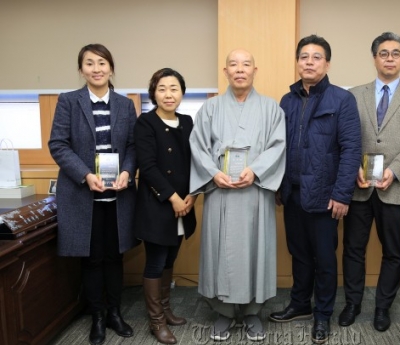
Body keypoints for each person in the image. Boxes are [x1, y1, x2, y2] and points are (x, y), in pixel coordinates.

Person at [339, 32, 400, 332]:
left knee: (394, 251)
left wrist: (395, 169)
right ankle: (353, 304)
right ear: (375, 58)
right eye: (383, 53)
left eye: (395, 53)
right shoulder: (353, 94)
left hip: (395, 186)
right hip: (359, 186)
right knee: (353, 248)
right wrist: (353, 165)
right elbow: (343, 137)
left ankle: (383, 308)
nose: (389, 58)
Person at [269, 34, 361, 344]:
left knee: (324, 258)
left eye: (316, 56)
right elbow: (278, 147)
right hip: (292, 193)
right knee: (298, 253)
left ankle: (322, 314)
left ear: (327, 63)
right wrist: (279, 186)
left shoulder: (342, 99)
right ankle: (299, 304)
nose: (309, 61)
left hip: (325, 195)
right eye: (304, 56)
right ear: (297, 62)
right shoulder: (287, 100)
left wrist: (342, 193)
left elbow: (351, 149)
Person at [189, 49, 286, 342]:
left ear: (255, 70)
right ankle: (223, 311)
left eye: (246, 65)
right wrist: (213, 172)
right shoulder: (210, 108)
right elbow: (198, 146)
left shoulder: (272, 109)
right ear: (225, 71)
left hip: (254, 191)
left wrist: (255, 171)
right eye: (234, 65)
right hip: (220, 191)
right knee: (221, 250)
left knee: (257, 249)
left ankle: (254, 312)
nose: (240, 70)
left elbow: (277, 146)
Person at [48, 43, 137, 345]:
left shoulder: (126, 105)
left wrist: (126, 172)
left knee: (114, 256)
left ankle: (115, 312)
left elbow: (134, 147)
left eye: (102, 63)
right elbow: (58, 144)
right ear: (81, 69)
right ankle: (97, 316)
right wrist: (86, 176)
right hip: (82, 195)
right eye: (89, 63)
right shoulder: (68, 101)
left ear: (111, 68)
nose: (96, 68)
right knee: (91, 258)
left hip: (118, 196)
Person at [134, 68, 197, 344]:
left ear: (182, 92)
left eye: (174, 88)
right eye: (162, 88)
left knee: (171, 258)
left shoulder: (187, 121)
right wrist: (173, 198)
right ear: (153, 93)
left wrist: (192, 195)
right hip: (158, 205)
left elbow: (195, 161)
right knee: (156, 261)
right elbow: (147, 167)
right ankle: (156, 321)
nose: (168, 94)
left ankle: (167, 309)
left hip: (185, 203)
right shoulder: (145, 123)